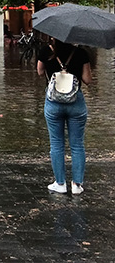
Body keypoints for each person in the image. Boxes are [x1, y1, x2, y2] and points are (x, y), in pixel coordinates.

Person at [37, 38, 91, 195]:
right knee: (77, 144)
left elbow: (40, 72)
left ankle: (60, 183)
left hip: (53, 102)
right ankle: (77, 185)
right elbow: (87, 80)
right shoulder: (81, 53)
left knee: (56, 144)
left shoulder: (45, 51)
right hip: (76, 103)